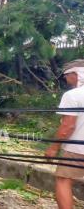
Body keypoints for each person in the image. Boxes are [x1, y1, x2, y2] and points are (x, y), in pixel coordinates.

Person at [45, 59, 84, 209]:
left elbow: (68, 126)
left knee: (63, 179)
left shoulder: (73, 95)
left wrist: (53, 148)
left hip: (78, 149)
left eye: (66, 75)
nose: (66, 79)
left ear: (76, 74)